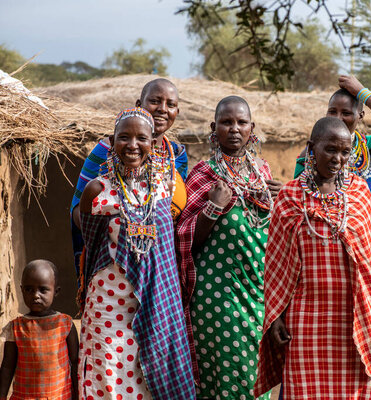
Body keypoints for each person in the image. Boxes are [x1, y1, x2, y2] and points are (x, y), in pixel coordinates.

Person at [254, 117, 371, 399]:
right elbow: (274, 263)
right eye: (330, 150)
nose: (338, 158)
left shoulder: (360, 193)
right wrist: (275, 316)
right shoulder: (290, 197)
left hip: (357, 320)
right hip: (307, 322)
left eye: (345, 152)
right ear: (312, 148)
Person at [78, 107, 194, 399]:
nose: (132, 145)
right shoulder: (96, 189)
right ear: (112, 141)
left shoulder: (165, 189)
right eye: (124, 137)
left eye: (141, 138)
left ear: (153, 143)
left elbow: (166, 257)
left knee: (146, 380)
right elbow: (90, 245)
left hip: (156, 304)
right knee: (109, 376)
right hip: (108, 308)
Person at [176, 96, 282, 400]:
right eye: (226, 122)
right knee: (225, 380)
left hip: (257, 295)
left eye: (241, 122)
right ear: (214, 128)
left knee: (255, 382)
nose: (234, 128)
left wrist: (279, 199)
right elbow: (185, 239)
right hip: (217, 297)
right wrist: (213, 207)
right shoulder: (202, 172)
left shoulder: (263, 172)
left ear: (252, 128)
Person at [71, 78, 188, 277]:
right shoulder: (105, 152)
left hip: (163, 265)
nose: (162, 109)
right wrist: (122, 234)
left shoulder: (177, 156)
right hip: (113, 263)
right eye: (155, 101)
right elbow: (78, 212)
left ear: (177, 111)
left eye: (171, 104)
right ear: (139, 105)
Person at [294, 75, 371, 245]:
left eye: (346, 113)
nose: (338, 117)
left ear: (360, 115)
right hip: (324, 243)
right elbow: (299, 199)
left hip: (370, 241)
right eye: (332, 111)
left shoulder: (370, 147)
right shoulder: (312, 152)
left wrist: (362, 92)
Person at [0, 260, 78, 400]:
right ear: (21, 289)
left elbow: (75, 362)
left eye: (43, 290)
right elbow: (7, 365)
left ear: (56, 291)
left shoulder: (65, 324)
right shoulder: (16, 327)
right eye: (29, 289)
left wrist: (78, 394)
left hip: (59, 396)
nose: (36, 295)